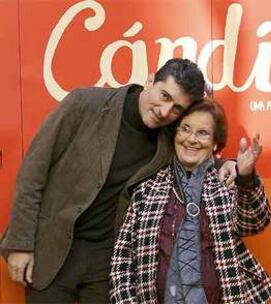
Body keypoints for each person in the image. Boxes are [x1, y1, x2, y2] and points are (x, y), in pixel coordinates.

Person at [0, 58, 236, 303]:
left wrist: (228, 165)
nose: (165, 112)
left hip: (107, 263)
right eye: (164, 96)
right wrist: (20, 243)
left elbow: (193, 154)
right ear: (150, 81)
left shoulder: (167, 140)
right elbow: (33, 170)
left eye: (177, 108)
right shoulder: (85, 103)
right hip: (53, 249)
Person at [110, 99, 271, 303]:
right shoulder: (147, 190)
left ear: (215, 142)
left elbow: (254, 223)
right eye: (185, 129)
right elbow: (122, 261)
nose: (191, 139)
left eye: (203, 133)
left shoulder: (227, 182)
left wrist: (245, 178)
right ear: (175, 135)